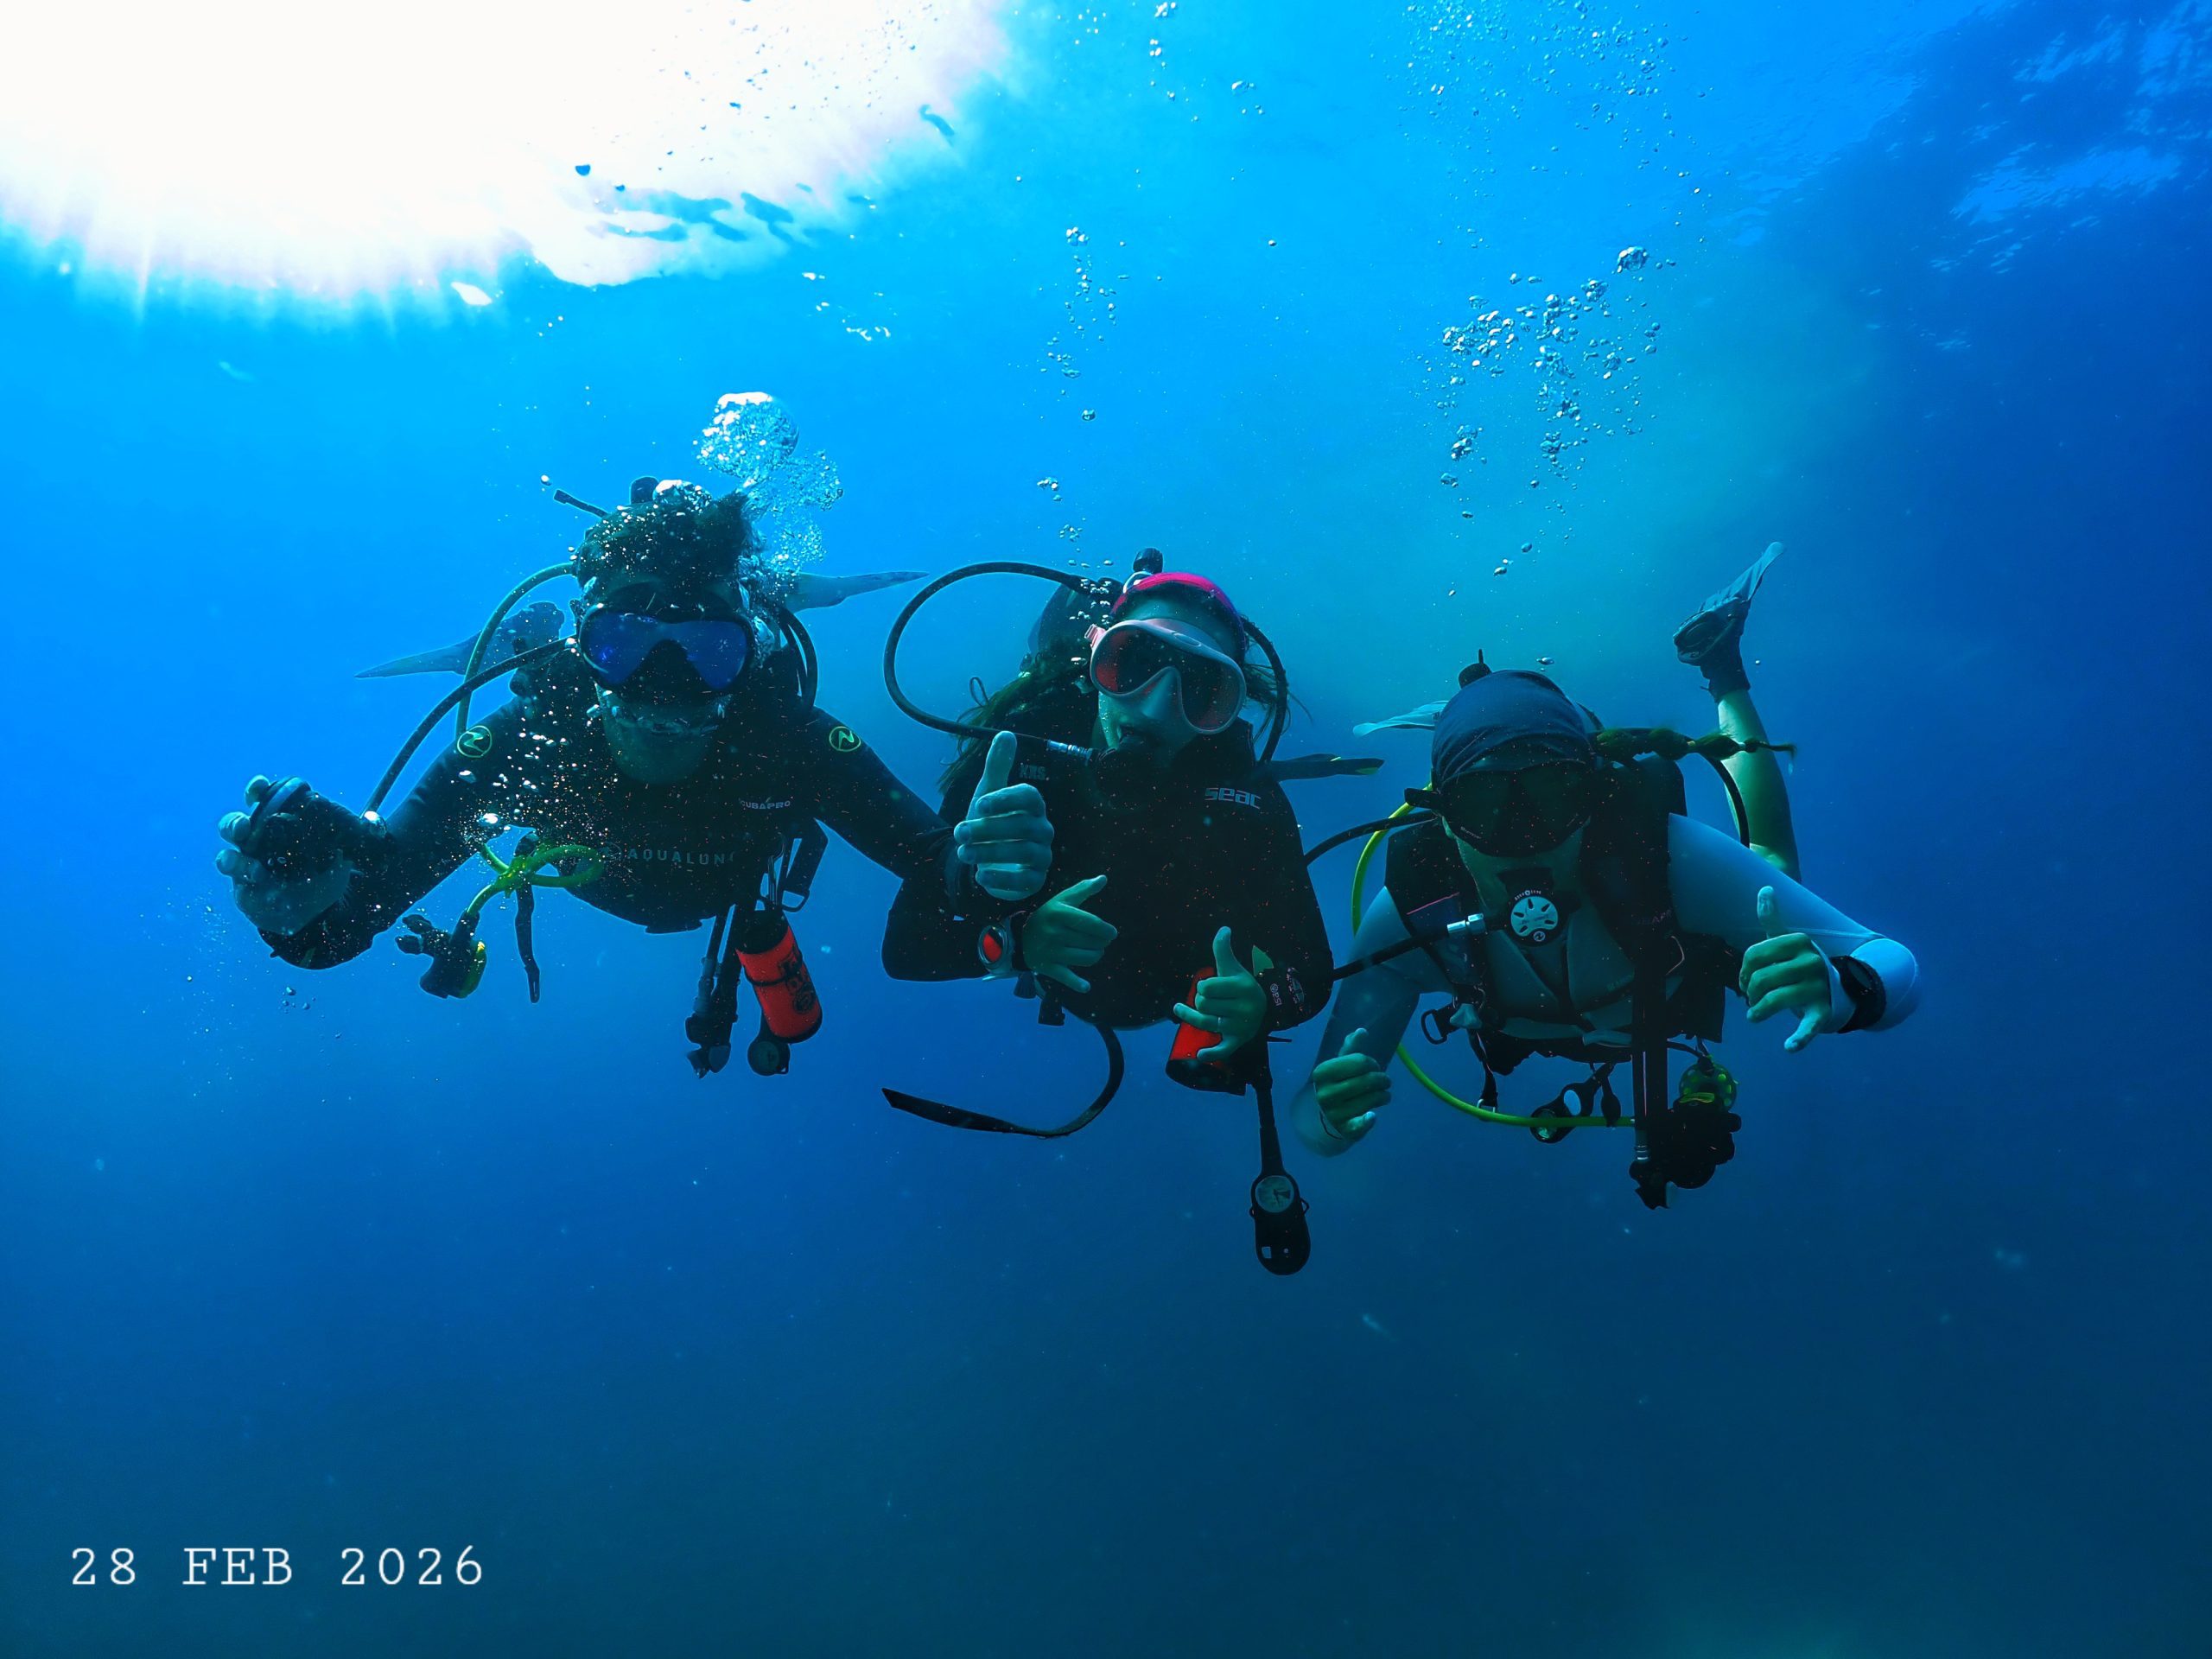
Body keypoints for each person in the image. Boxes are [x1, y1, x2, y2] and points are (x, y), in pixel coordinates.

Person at [214, 480, 1053, 1071]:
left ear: (746, 650)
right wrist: (293, 908)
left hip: (732, 897)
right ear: (584, 645)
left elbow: (943, 868)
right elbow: (339, 932)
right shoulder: (524, 746)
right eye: (625, 648)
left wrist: (993, 867)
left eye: (706, 653)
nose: (662, 691)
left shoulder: (785, 740)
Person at [1294, 664, 1920, 1199]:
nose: (1521, 836)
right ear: (1446, 819)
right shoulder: (1413, 915)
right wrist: (1335, 1116)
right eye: (1484, 804)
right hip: (1591, 1011)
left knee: (1771, 876)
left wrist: (1844, 987)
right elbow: (1314, 1127)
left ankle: (1723, 674)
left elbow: (1893, 966)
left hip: (1669, 987)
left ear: (1594, 798)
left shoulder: (1671, 858)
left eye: (1550, 796)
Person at [882, 560, 1332, 1067]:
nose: (1156, 708)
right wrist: (1017, 941)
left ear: (1224, 711)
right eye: (1136, 662)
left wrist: (1260, 1006)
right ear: (1097, 659)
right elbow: (906, 946)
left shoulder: (1245, 801)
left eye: (1201, 689)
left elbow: (1310, 975)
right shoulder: (1020, 754)